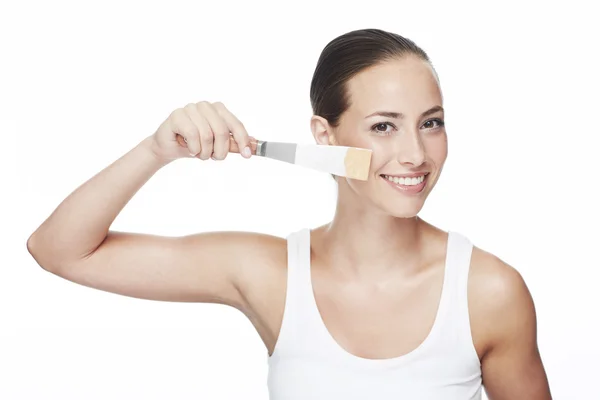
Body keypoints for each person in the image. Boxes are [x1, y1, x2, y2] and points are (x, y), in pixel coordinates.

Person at [26, 28, 552, 399]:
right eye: (384, 126)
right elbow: (59, 250)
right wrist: (156, 151)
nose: (416, 154)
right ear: (326, 137)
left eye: (431, 122)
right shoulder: (270, 273)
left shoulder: (487, 291)